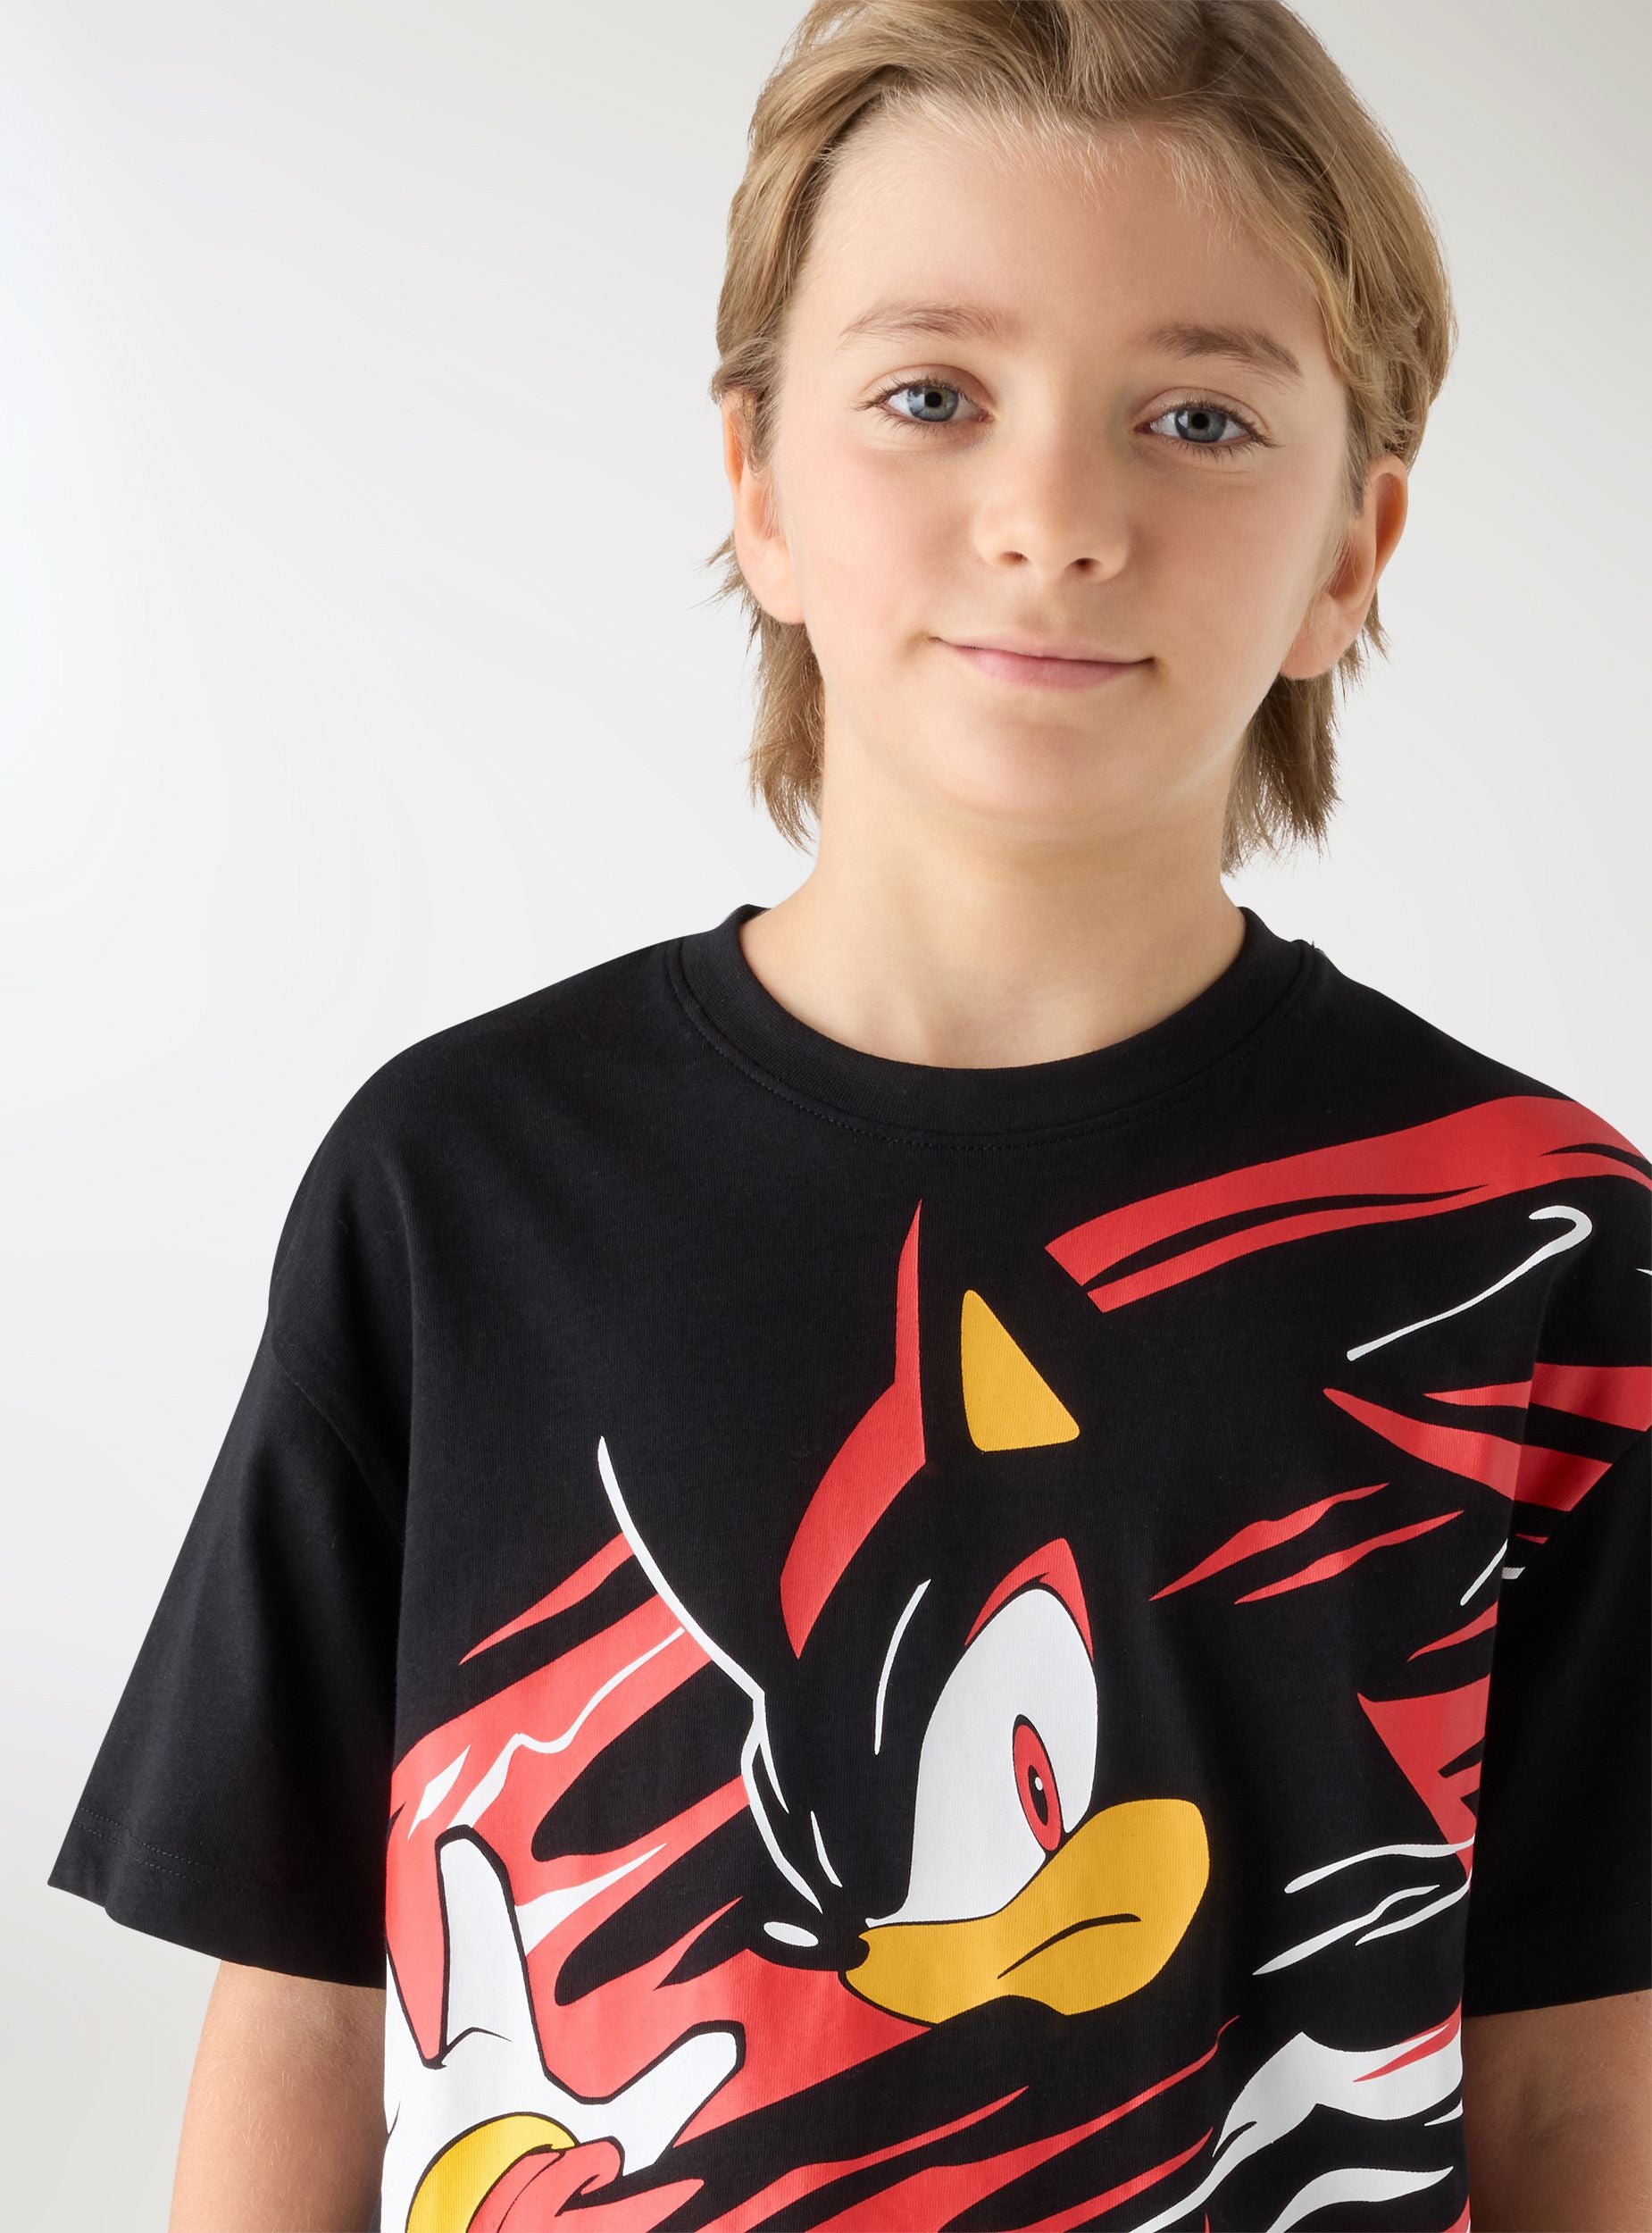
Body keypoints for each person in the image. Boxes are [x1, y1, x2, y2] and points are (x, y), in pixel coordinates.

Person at [48, 2, 1651, 2228]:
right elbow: (305, 2006)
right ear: (757, 484)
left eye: (1196, 416)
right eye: (930, 395)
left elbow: (1572, 2079)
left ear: (1350, 549)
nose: (1054, 517)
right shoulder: (459, 1186)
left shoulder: (1536, 1239)